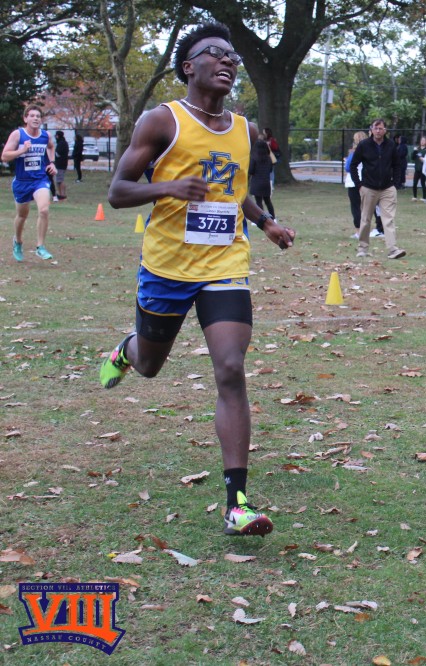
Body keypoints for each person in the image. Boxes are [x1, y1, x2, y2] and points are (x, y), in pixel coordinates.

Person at [97, 22, 296, 538]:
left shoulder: (245, 129)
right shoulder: (162, 121)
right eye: (216, 53)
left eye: (233, 56)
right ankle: (127, 349)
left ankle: (237, 504)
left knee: (230, 368)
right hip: (167, 267)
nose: (228, 61)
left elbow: (233, 191)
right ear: (189, 67)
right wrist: (167, 188)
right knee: (150, 365)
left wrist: (265, 222)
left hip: (225, 264)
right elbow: (118, 191)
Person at [3, 105, 57, 262]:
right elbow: (5, 156)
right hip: (22, 182)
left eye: (38, 116)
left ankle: (40, 247)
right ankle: (18, 241)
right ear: (25, 118)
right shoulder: (18, 135)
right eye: (32, 115)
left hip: (40, 180)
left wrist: (52, 163)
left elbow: (51, 147)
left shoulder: (45, 136)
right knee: (22, 215)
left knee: (44, 210)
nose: (35, 118)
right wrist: (22, 151)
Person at [349, 118, 406, 259]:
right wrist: (359, 185)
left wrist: (395, 184)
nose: (378, 131)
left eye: (381, 128)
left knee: (388, 219)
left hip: (387, 188)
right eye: (376, 128)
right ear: (371, 130)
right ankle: (362, 249)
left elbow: (397, 165)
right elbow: (353, 165)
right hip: (368, 188)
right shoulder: (364, 145)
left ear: (385, 130)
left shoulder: (391, 145)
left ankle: (393, 250)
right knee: (365, 219)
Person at [345, 131, 384, 239]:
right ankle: (378, 228)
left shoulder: (354, 152)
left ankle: (359, 232)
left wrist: (347, 159)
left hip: (353, 183)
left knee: (356, 207)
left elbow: (348, 167)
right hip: (367, 182)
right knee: (371, 207)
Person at [248, 137, 275, 218]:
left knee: (258, 201)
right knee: (268, 201)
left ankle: (261, 218)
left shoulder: (254, 158)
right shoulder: (269, 158)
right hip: (266, 182)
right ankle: (273, 217)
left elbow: (251, 171)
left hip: (256, 182)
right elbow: (270, 170)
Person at [54, 130, 70, 201]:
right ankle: (60, 194)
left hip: (60, 164)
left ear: (58, 136)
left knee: (60, 180)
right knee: (59, 180)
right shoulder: (64, 143)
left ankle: (62, 194)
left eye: (56, 135)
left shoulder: (61, 143)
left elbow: (58, 153)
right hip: (62, 163)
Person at [411, 136, 426, 201]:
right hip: (417, 169)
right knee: (414, 183)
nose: (422, 142)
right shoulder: (417, 149)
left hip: (423, 170)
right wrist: (415, 151)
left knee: (423, 183)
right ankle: (414, 197)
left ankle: (424, 198)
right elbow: (412, 158)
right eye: (421, 140)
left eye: (423, 140)